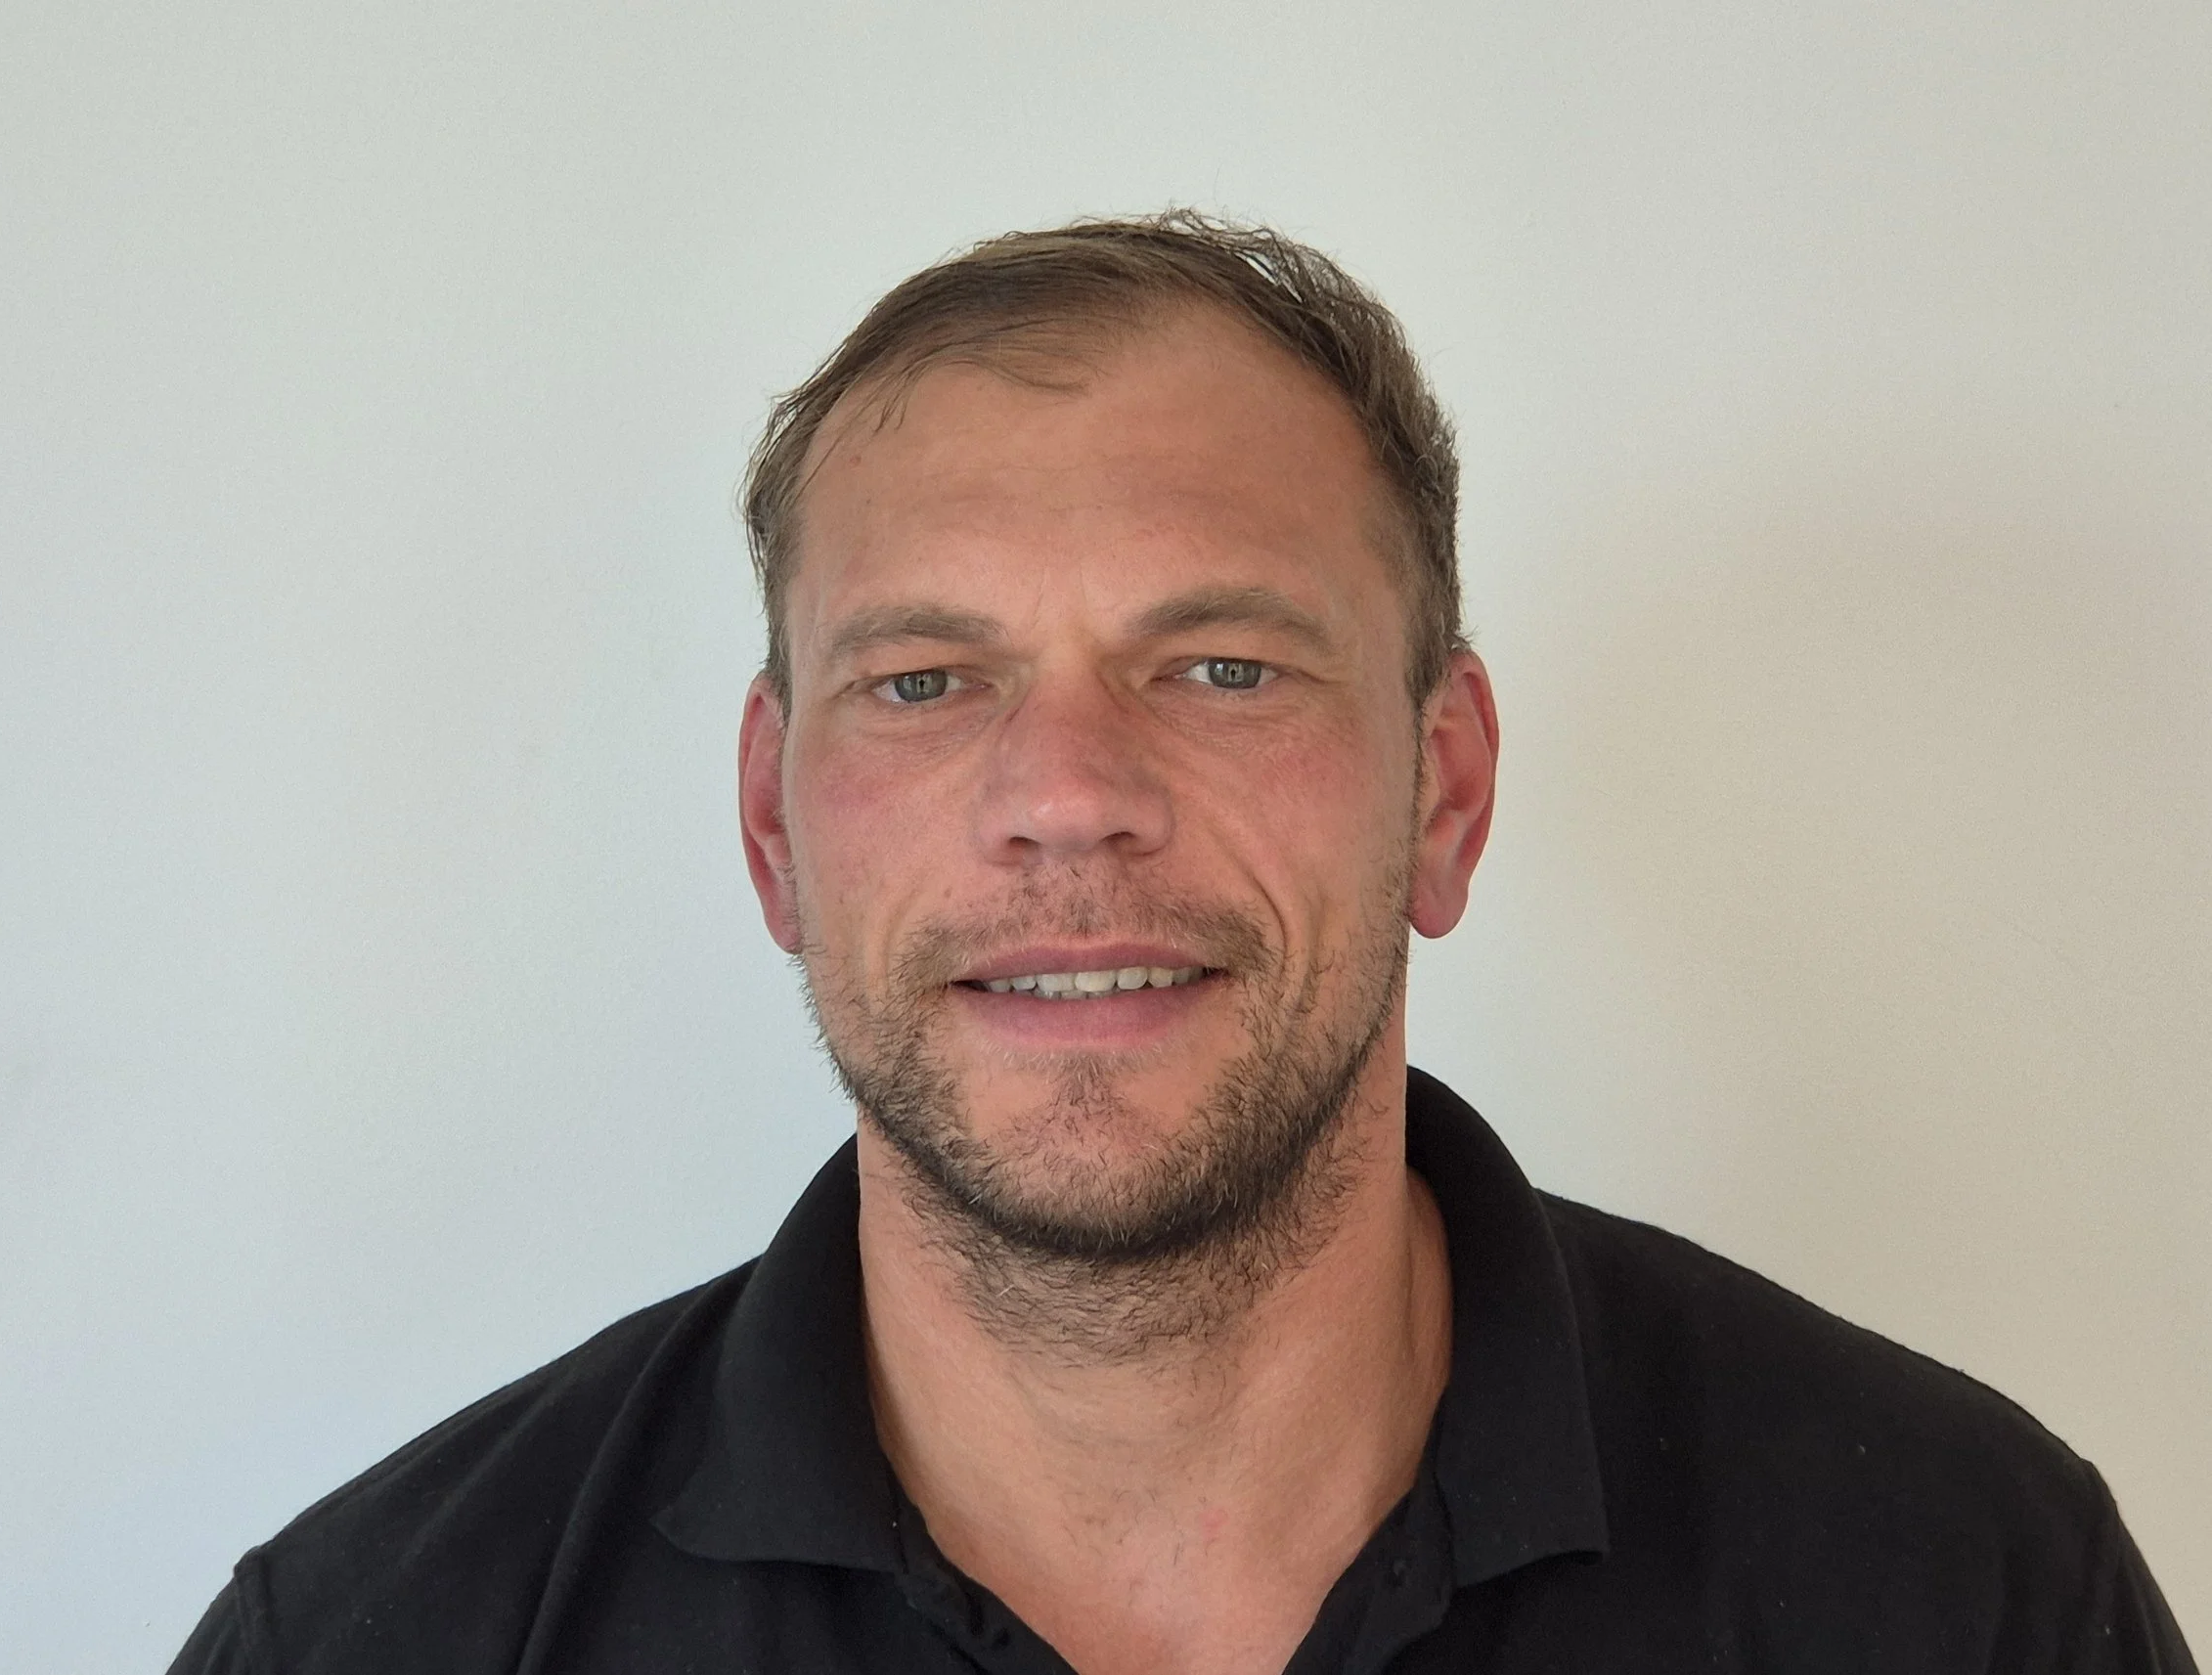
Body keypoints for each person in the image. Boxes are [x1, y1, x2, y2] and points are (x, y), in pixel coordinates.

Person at [168, 213, 2194, 1674]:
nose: (1068, 790)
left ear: (1445, 786)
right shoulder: (388, 1633)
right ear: (772, 822)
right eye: (925, 681)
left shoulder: (1949, 1587)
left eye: (1219, 664)